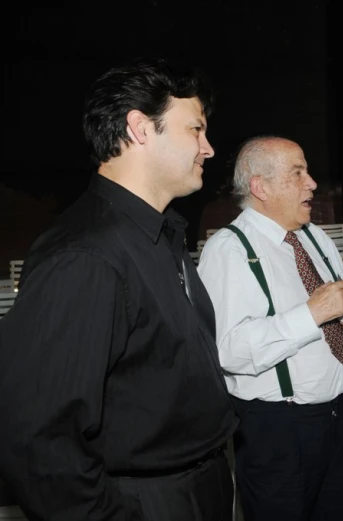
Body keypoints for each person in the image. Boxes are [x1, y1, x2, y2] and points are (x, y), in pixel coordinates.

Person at [0, 59, 237, 520]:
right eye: (196, 130)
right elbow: (36, 439)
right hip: (144, 502)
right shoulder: (86, 255)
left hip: (200, 488)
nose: (208, 148)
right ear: (140, 128)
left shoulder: (161, 235)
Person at [197, 136, 343, 521]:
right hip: (280, 431)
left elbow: (331, 309)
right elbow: (228, 350)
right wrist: (311, 314)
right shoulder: (228, 251)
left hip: (342, 417)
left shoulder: (315, 236)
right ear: (261, 187)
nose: (312, 183)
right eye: (298, 174)